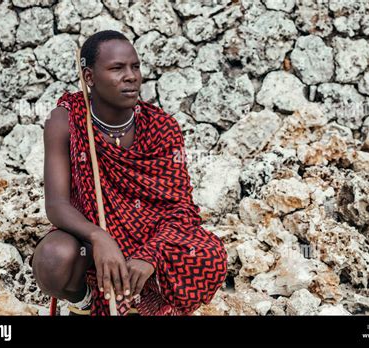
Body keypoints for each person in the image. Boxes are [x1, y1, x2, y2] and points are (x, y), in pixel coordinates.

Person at [30, 30, 228, 316]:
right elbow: (56, 205)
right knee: (53, 258)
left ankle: (145, 300)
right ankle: (83, 304)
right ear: (89, 77)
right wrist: (99, 237)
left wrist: (151, 255)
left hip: (154, 239)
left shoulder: (162, 127)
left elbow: (182, 209)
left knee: (210, 256)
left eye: (135, 66)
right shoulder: (66, 120)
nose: (131, 76)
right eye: (117, 68)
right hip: (91, 243)